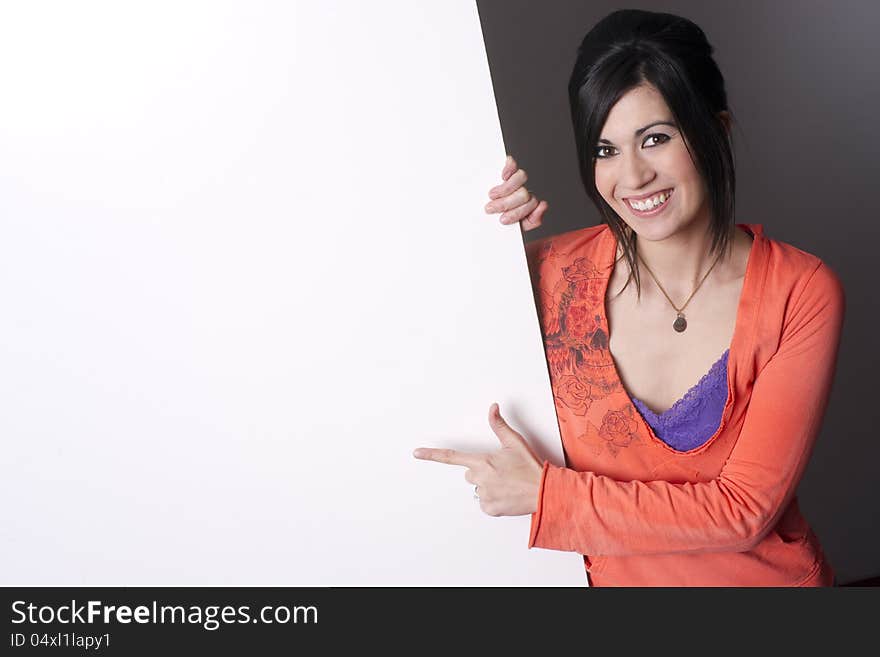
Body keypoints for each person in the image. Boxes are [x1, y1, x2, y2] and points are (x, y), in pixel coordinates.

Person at [413, 9, 845, 586]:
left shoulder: (800, 290)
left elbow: (744, 512)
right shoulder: (547, 274)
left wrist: (546, 496)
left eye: (656, 139)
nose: (633, 176)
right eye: (605, 150)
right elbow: (407, 324)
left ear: (715, 128)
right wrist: (482, 240)